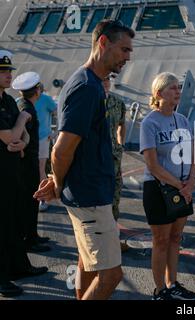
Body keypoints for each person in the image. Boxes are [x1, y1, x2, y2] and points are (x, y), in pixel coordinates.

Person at [34, 19, 135, 300]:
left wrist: (58, 180)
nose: (128, 57)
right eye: (124, 49)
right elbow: (61, 149)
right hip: (89, 197)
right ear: (103, 42)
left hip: (88, 192)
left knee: (87, 263)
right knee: (111, 275)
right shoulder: (86, 87)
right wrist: (57, 182)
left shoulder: (87, 82)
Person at [140, 72, 195, 300]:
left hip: (182, 188)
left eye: (178, 87)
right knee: (161, 240)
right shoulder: (149, 122)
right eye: (172, 88)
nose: (178, 92)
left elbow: (193, 156)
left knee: (176, 238)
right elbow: (152, 165)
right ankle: (159, 289)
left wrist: (191, 181)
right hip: (158, 189)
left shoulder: (183, 120)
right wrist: (179, 186)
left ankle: (173, 283)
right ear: (159, 93)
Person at [0, 51, 47, 298]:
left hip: (12, 171)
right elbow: (10, 135)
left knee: (13, 223)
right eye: (3, 71)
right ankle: (2, 278)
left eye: (9, 70)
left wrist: (19, 137)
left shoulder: (7, 100)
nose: (9, 74)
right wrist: (22, 121)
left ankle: (19, 267)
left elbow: (22, 138)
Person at [12, 72, 51, 253]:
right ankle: (30, 240)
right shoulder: (27, 109)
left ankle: (32, 235)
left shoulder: (22, 104)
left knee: (31, 202)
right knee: (29, 202)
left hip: (28, 162)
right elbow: (19, 137)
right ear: (37, 91)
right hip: (27, 164)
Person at [102, 74, 129, 252]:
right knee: (98, 202)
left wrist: (120, 144)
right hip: (96, 160)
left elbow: (121, 125)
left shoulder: (118, 103)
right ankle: (101, 242)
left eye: (108, 80)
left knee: (115, 199)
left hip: (114, 159)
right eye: (103, 80)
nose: (106, 83)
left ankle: (112, 240)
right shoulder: (90, 102)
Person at [35, 83, 57, 212]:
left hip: (43, 139)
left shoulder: (46, 99)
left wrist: (53, 133)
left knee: (40, 169)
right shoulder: (20, 101)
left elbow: (57, 113)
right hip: (26, 140)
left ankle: (42, 199)